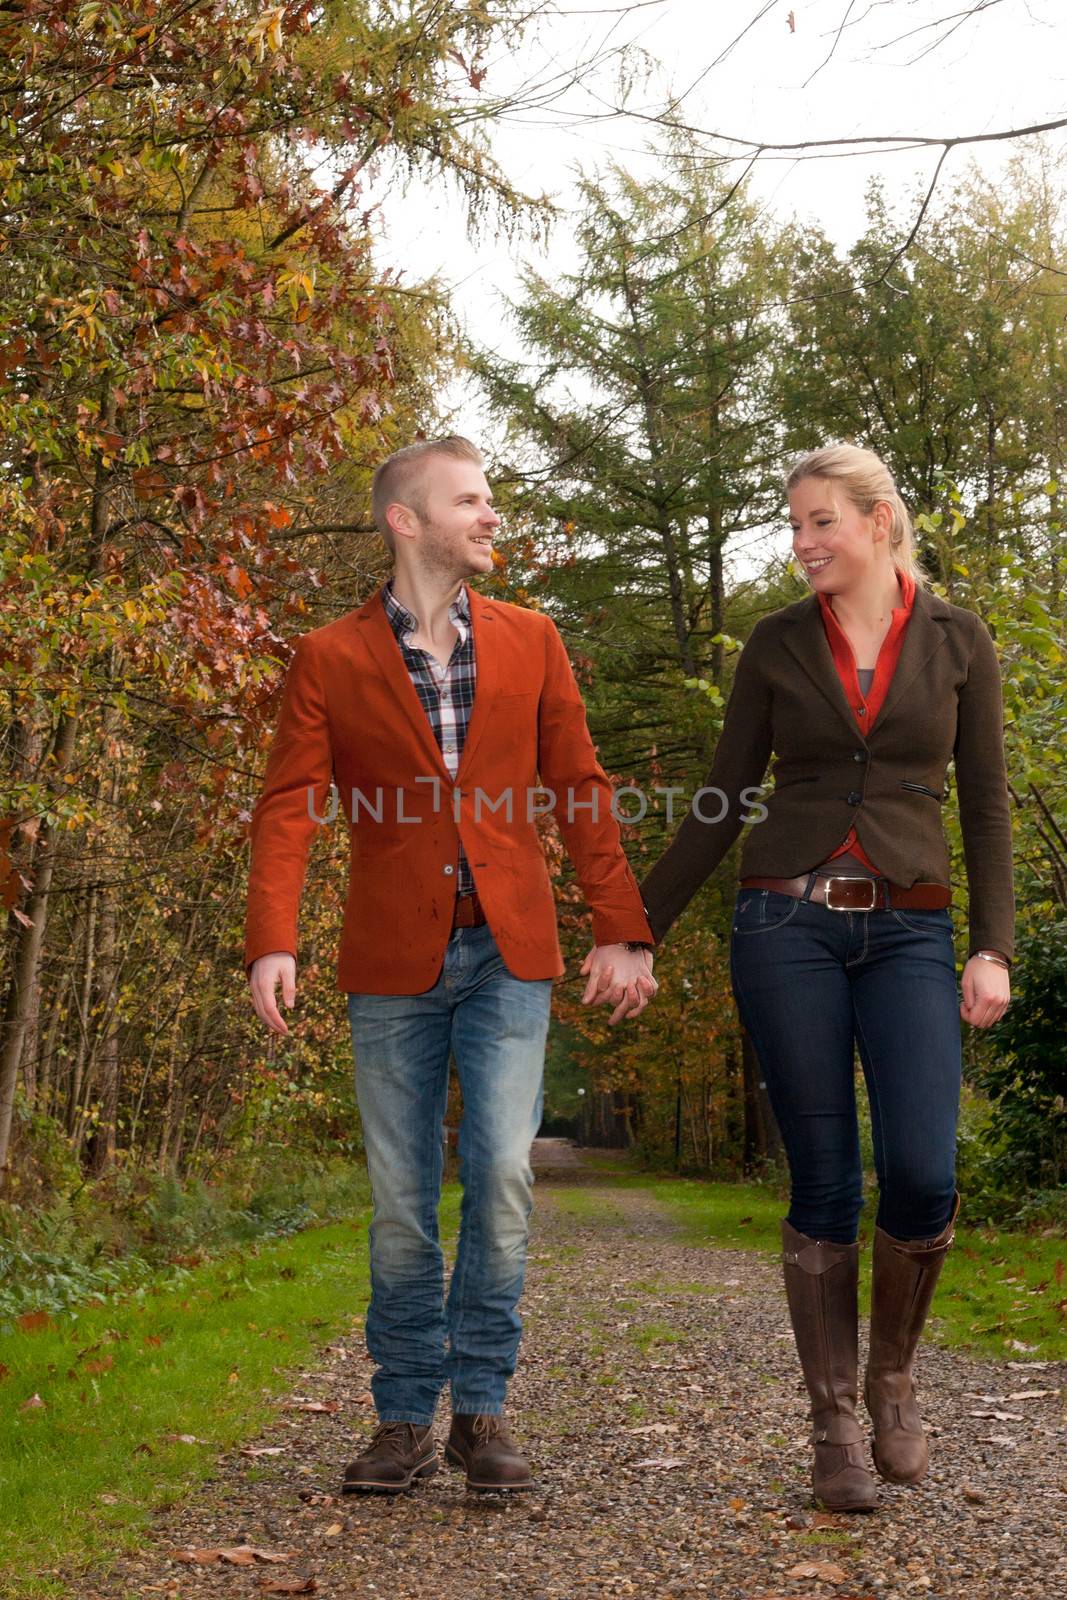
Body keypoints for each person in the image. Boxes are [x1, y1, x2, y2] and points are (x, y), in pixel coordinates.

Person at [245, 435, 657, 1496]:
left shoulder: (530, 640)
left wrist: (621, 926)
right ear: (405, 519)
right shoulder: (328, 657)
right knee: (398, 1199)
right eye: (470, 500)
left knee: (506, 1177)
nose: (489, 517)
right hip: (390, 964)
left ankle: (480, 1409)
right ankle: (399, 1417)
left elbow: (578, 783)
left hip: (510, 953)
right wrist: (273, 938)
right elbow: (288, 805)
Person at [614, 443, 1013, 1511]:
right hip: (781, 925)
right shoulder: (774, 645)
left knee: (924, 1169)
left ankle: (890, 1375)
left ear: (878, 520)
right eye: (792, 525)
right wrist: (632, 923)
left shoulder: (957, 640)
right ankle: (832, 1421)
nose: (800, 544)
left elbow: (983, 803)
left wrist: (992, 945)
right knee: (825, 1178)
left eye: (818, 522)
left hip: (909, 933)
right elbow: (719, 793)